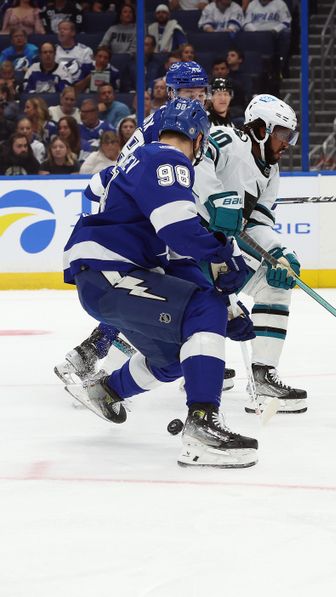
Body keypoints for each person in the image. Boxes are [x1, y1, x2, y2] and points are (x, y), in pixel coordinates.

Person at [62, 97, 258, 468]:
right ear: (198, 139)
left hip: (107, 278)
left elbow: (179, 262)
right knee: (204, 308)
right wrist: (222, 255)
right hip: (112, 275)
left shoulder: (146, 161)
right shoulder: (168, 159)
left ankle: (107, 391)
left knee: (173, 358)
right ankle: (202, 424)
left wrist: (227, 308)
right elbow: (179, 230)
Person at [199, 94, 307, 414]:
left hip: (224, 254)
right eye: (283, 134)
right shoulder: (228, 139)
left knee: (276, 284)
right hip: (185, 248)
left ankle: (263, 377)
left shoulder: (271, 172)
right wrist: (213, 200)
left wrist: (280, 252)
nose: (288, 143)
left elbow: (258, 223)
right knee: (162, 324)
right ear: (261, 128)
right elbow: (193, 160)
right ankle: (105, 376)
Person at [243, 0, 291, 77]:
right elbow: (246, 23)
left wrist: (275, 30)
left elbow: (286, 21)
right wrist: (256, 32)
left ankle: (279, 68)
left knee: (285, 34)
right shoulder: (252, 4)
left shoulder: (280, 3)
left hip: (274, 36)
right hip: (256, 36)